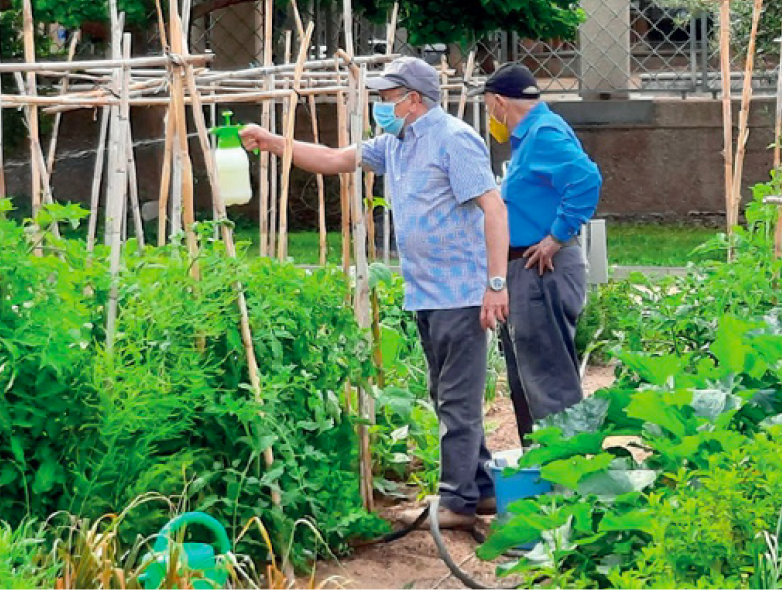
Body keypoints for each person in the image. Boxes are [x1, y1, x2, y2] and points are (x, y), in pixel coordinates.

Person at [240, 57, 509, 528]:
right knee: (446, 393)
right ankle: (481, 488)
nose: (381, 105)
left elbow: (493, 209)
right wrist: (275, 143)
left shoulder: (453, 139)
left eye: (388, 97)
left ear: (414, 99)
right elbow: (333, 158)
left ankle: (455, 502)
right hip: (427, 292)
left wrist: (495, 285)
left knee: (457, 399)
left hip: (461, 292)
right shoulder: (396, 143)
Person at [469, 63, 602, 444]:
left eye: (488, 106)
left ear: (497, 102)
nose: (490, 115)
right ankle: (540, 470)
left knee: (549, 378)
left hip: (543, 268)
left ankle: (565, 476)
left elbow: (586, 178)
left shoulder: (543, 133)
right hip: (526, 267)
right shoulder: (531, 136)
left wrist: (557, 236)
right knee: (528, 376)